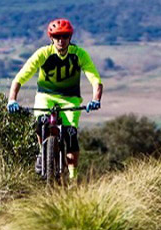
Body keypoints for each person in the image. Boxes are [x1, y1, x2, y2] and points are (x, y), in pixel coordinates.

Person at [6, 18, 103, 180]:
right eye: (57, 37)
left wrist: (96, 99)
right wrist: (11, 99)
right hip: (46, 95)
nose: (61, 40)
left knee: (70, 134)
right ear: (51, 38)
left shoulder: (79, 54)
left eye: (65, 36)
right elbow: (21, 77)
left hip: (70, 98)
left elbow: (95, 79)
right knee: (42, 123)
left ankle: (73, 177)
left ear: (70, 38)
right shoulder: (43, 53)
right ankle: (42, 153)